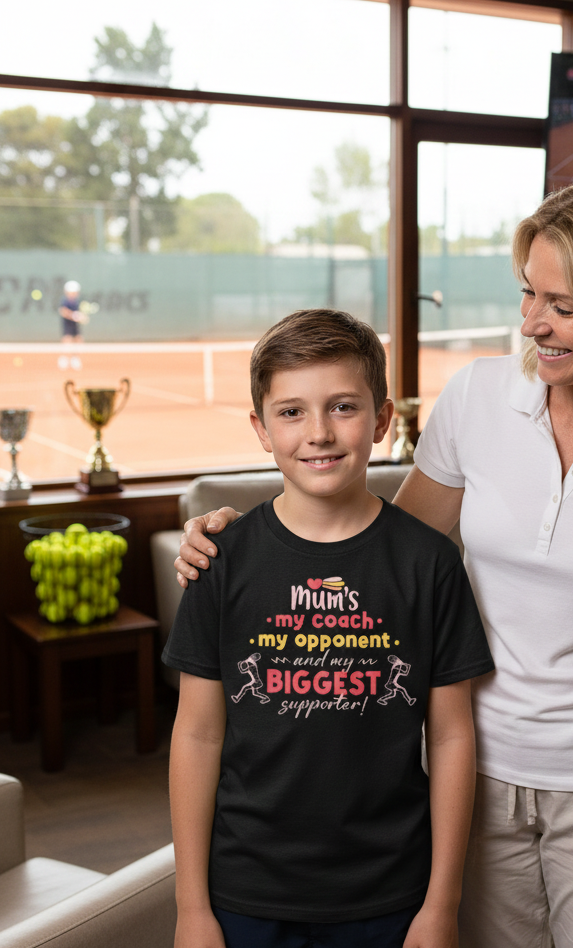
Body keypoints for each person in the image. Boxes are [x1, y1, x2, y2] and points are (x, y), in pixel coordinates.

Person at [176, 174, 573, 948]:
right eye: (527, 294)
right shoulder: (479, 396)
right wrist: (235, 538)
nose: (531, 324)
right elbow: (379, 547)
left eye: (562, 305)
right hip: (469, 767)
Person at [163, 308, 494, 948]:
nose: (318, 432)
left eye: (343, 407)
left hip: (391, 891)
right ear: (261, 429)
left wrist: (441, 905)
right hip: (245, 890)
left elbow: (452, 737)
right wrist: (191, 909)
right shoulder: (221, 560)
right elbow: (198, 734)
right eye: (291, 412)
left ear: (383, 420)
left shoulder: (429, 562)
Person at [58, 280, 85, 370]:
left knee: (78, 339)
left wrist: (80, 317)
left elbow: (81, 313)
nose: (74, 294)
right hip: (67, 324)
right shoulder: (65, 301)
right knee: (67, 340)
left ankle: (75, 359)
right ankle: (64, 359)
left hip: (75, 325)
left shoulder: (78, 302)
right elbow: (63, 311)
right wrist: (73, 316)